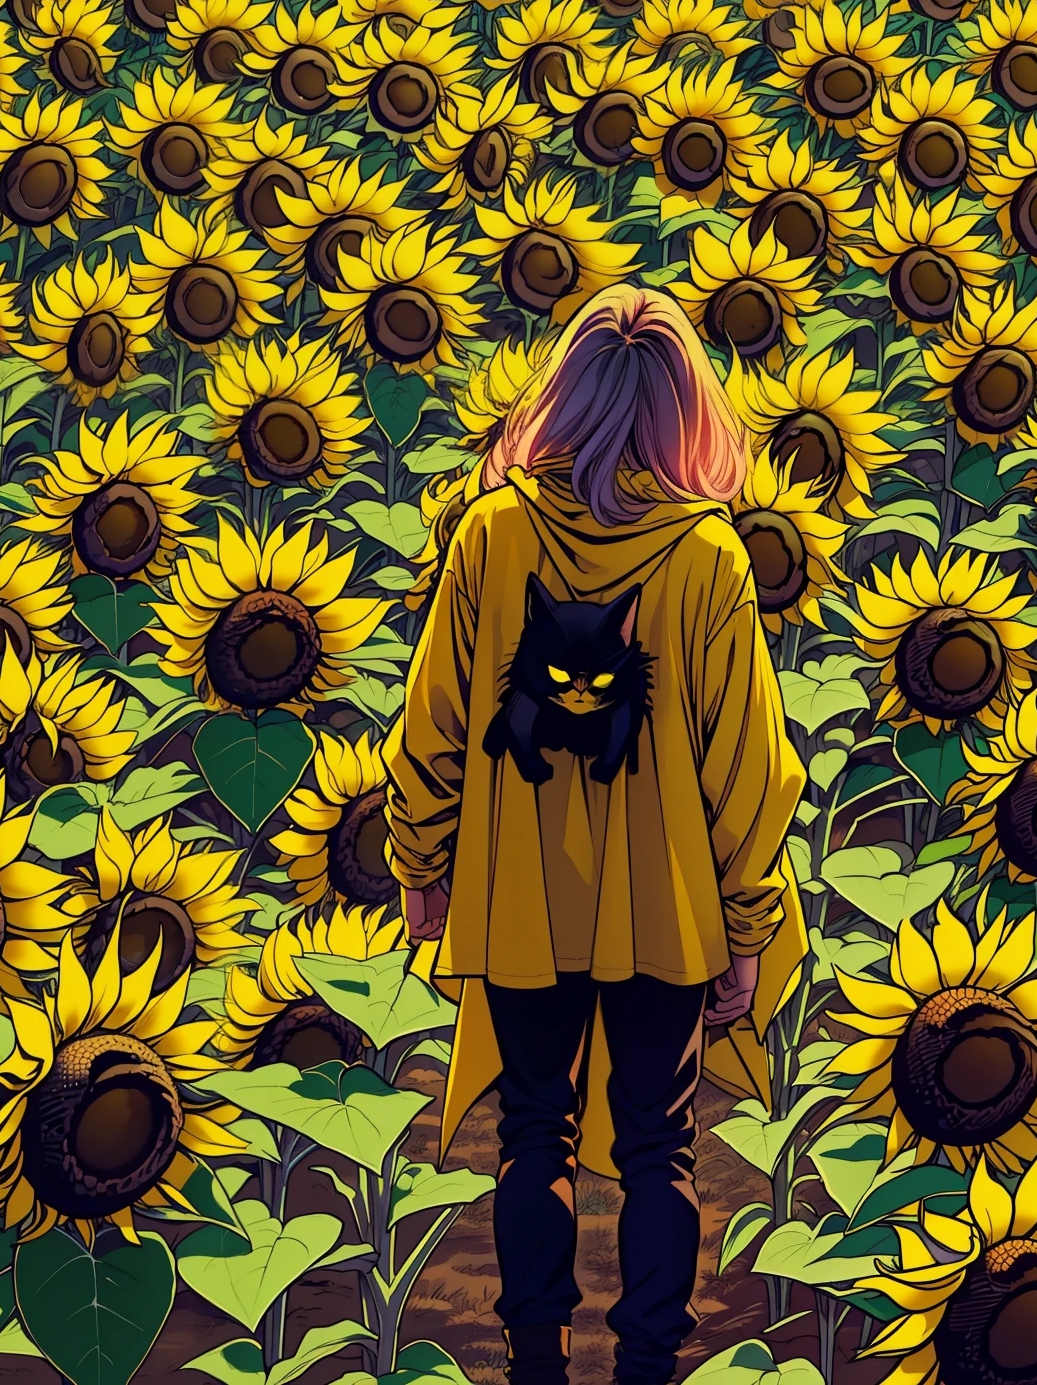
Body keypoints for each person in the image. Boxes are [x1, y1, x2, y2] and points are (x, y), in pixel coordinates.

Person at [384, 285, 807, 1385]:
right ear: (685, 414)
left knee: (535, 1131)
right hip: (665, 908)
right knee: (660, 1143)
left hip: (523, 894)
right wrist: (749, 919)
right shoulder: (708, 555)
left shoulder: (493, 531)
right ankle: (649, 1366)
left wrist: (421, 860)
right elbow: (746, 765)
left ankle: (535, 1359)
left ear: (560, 398)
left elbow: (434, 718)